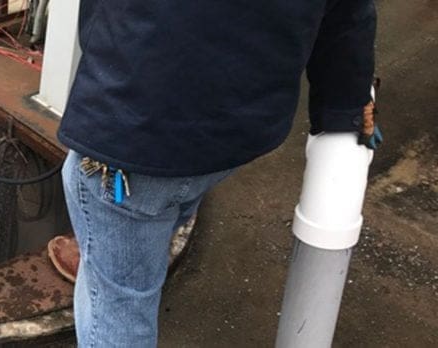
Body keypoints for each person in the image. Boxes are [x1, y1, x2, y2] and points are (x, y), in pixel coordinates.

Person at [48, 0, 379, 346]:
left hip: (133, 134)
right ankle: (120, 259)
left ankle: (118, 268)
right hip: (239, 130)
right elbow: (348, 13)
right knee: (171, 199)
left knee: (120, 307)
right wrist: (346, 110)